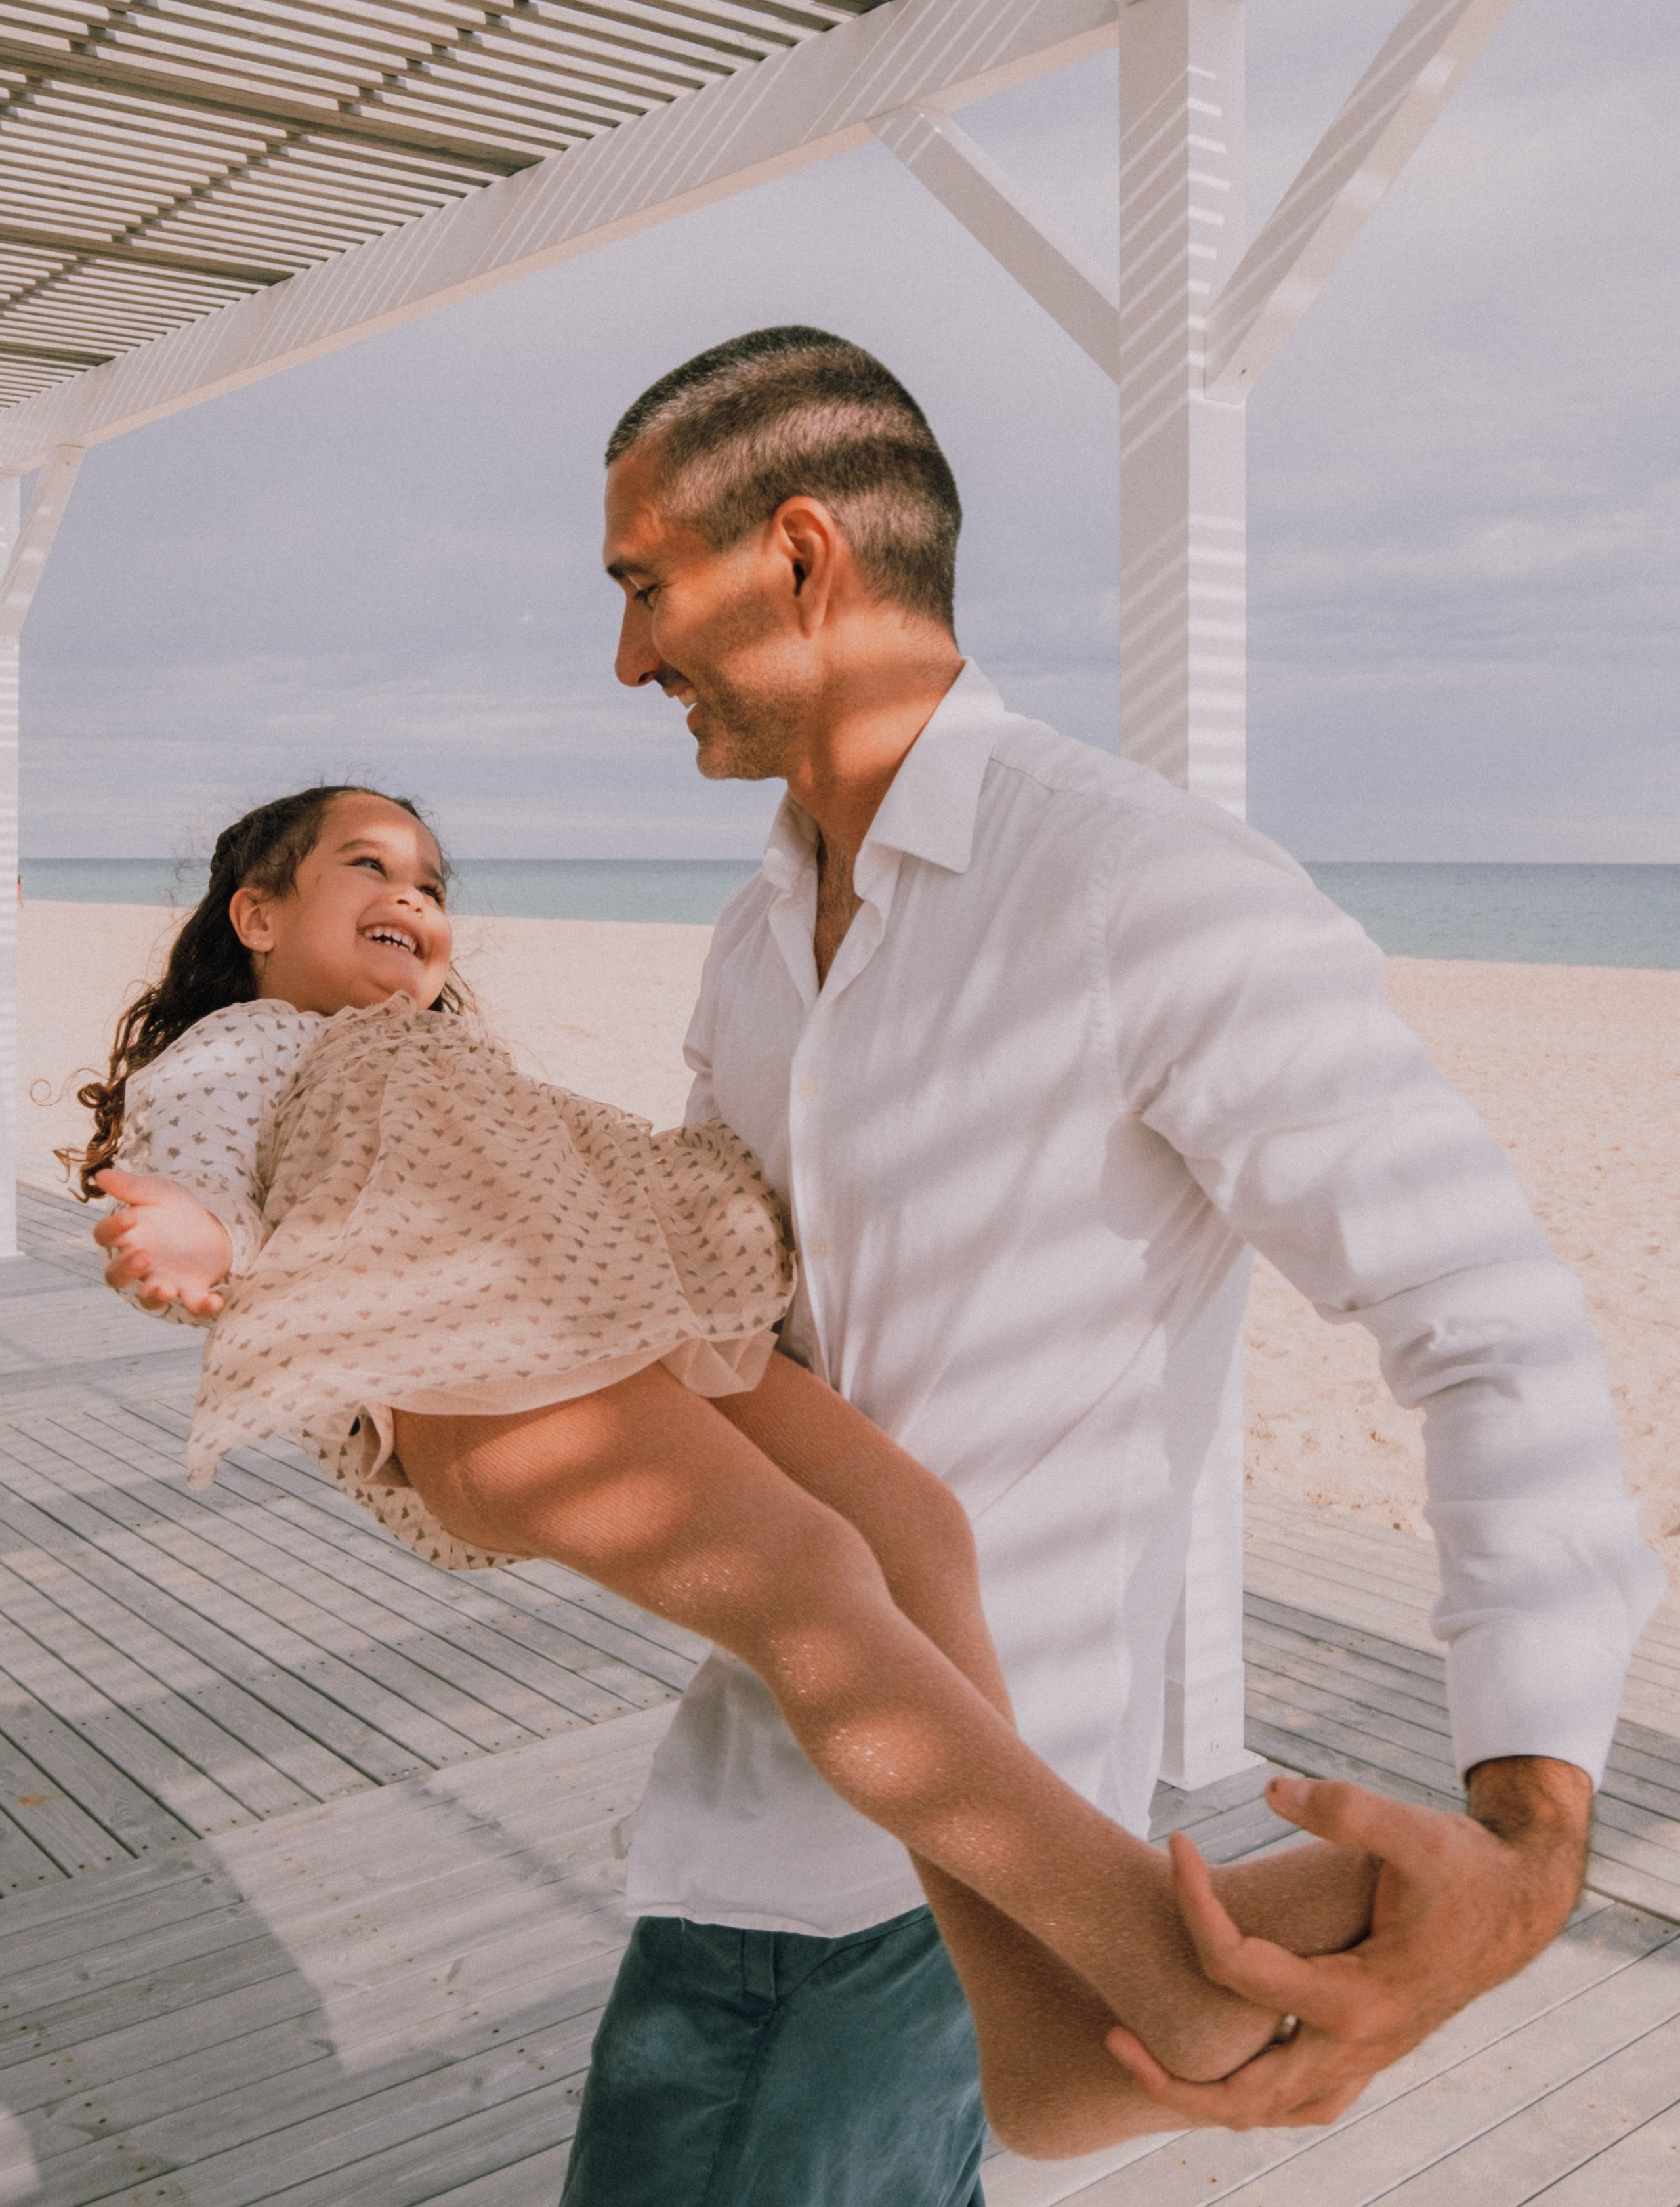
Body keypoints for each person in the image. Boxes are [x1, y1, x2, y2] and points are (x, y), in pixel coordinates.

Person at [533, 324, 1658, 2204]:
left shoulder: (1143, 887)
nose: (629, 657)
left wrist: (1530, 1826)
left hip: (948, 1872)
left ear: (802, 555)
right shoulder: (749, 948)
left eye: (646, 587)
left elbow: (1490, 1324)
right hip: (752, 1817)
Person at [87, 781, 1377, 2162]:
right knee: (809, 1578)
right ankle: (1144, 1942)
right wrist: (192, 1235)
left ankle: (1037, 2030)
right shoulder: (251, 1044)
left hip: (625, 1328)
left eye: (432, 883)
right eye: (367, 868)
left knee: (913, 1525)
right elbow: (194, 1166)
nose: (413, 899)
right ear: (258, 915)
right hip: (468, 1376)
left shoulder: (441, 1053)